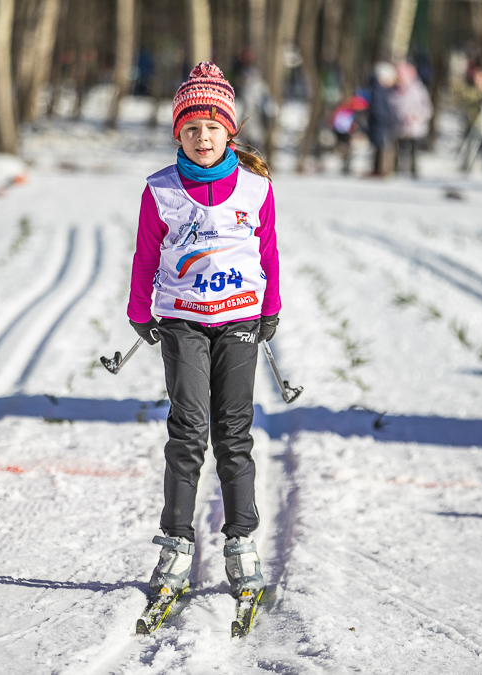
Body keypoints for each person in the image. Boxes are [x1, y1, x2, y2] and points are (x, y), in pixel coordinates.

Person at [127, 62, 280, 609]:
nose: (203, 137)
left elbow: (268, 256)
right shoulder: (161, 191)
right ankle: (174, 544)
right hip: (182, 320)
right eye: (191, 128)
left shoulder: (256, 189)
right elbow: (146, 255)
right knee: (189, 431)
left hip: (239, 318)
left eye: (212, 127)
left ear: (229, 130)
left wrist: (272, 309)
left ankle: (241, 543)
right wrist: (139, 311)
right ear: (179, 133)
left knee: (234, 434)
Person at [389, 61, 432, 178]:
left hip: (415, 125)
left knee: (413, 150)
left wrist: (419, 116)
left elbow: (426, 106)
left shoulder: (418, 89)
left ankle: (413, 170)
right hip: (399, 125)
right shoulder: (393, 91)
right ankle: (397, 169)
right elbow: (391, 106)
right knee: (399, 148)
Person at [366, 61, 398, 177]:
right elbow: (378, 109)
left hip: (380, 124)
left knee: (381, 147)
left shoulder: (381, 90)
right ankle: (382, 170)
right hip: (380, 124)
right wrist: (388, 119)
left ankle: (381, 170)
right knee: (383, 147)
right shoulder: (378, 91)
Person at [329, 93, 367, 175]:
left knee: (347, 148)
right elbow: (345, 124)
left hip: (342, 131)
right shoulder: (348, 111)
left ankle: (345, 165)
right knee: (346, 148)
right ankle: (345, 165)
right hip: (344, 132)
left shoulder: (344, 109)